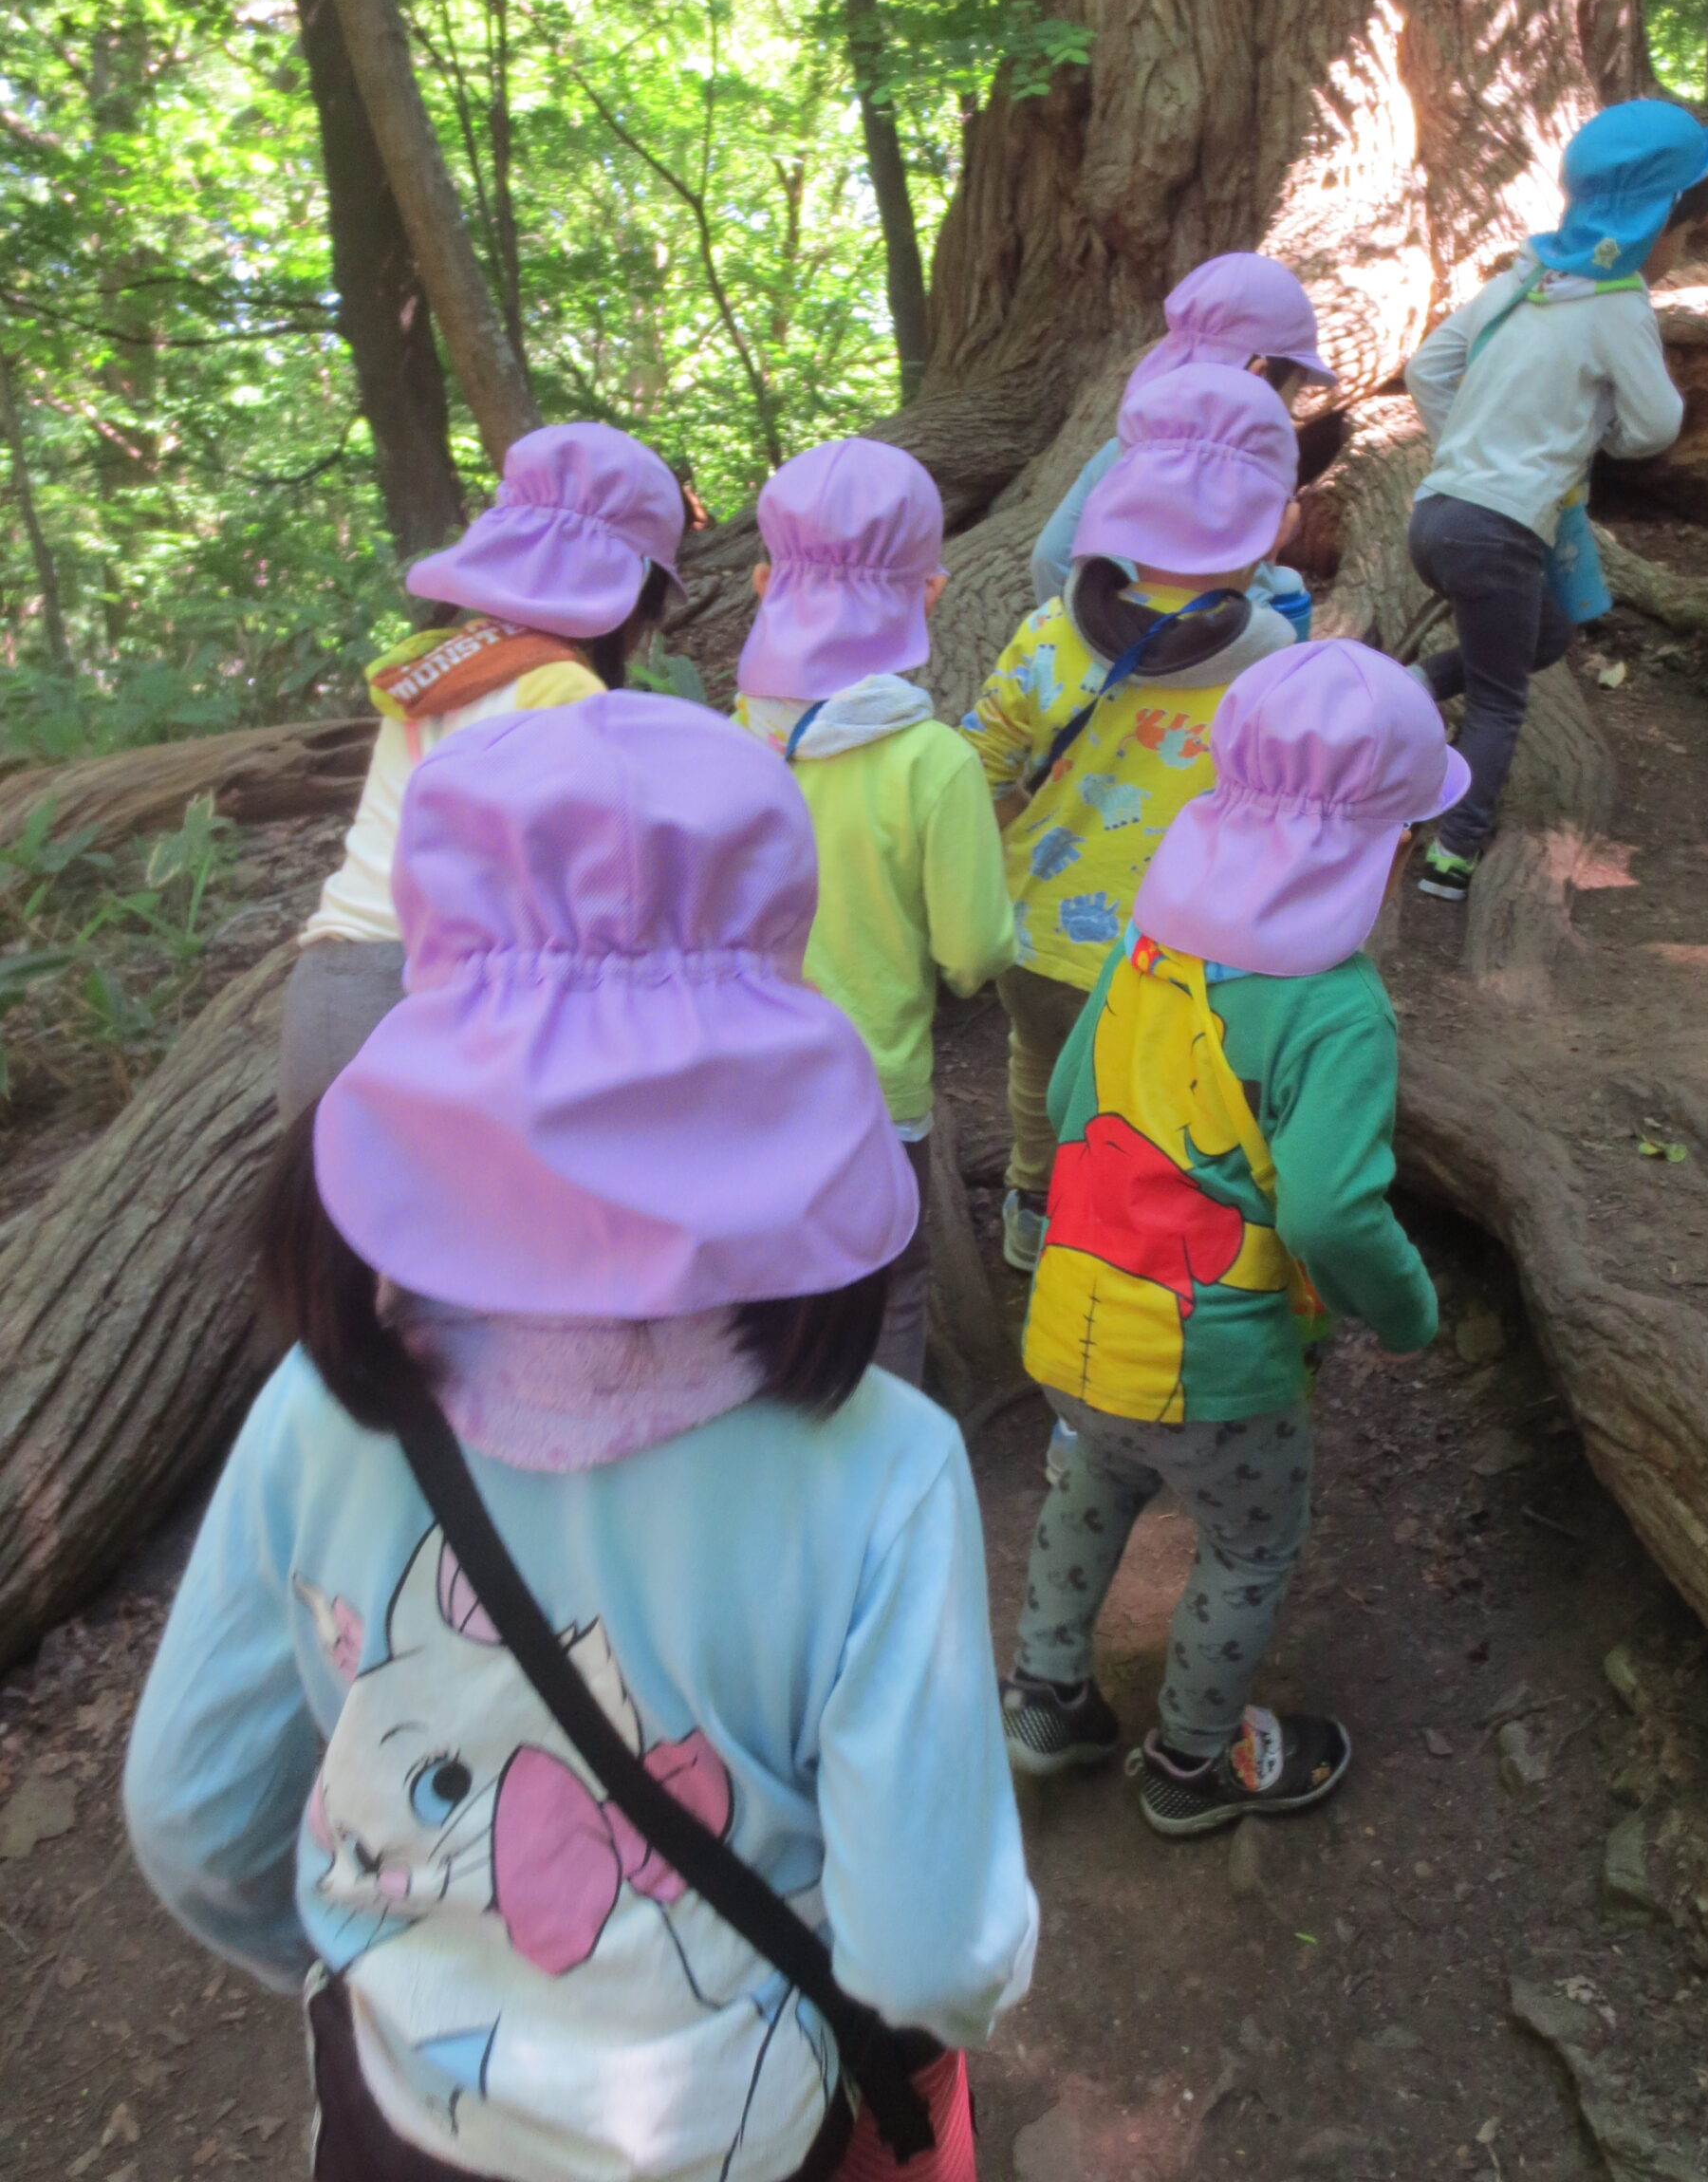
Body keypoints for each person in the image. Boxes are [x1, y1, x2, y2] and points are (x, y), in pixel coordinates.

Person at [125, 694, 1035, 2182]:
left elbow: (192, 1814)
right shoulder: (887, 1470)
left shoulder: (318, 1410)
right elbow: (935, 1953)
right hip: (737, 2133)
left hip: (404, 2126)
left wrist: (369, 1962)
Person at [997, 641, 1460, 1837]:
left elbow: (1068, 1101)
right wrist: (1405, 1309)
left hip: (1076, 1319)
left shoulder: (1148, 946)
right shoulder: (1336, 1009)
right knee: (1252, 1545)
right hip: (1215, 1364)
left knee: (1093, 1477)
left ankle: (1045, 1696)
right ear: (1384, 849)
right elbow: (1329, 1210)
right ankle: (1192, 1764)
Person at [962, 363, 1302, 1277]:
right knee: (1152, 1102)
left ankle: (1034, 1208)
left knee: (1038, 1067)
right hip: (1181, 956)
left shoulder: (1049, 630)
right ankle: (1121, 1251)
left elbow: (976, 765)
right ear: (1279, 524)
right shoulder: (1273, 671)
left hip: (1035, 934)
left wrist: (1018, 839)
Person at [276, 421, 685, 1121]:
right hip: (421, 1002)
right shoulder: (559, 688)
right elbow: (583, 886)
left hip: (329, 987)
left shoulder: (444, 666)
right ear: (632, 588)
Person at [736, 439, 1015, 1387]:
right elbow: (974, 950)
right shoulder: (935, 761)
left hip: (738, 1078)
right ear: (929, 594)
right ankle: (886, 1457)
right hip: (872, 1090)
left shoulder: (731, 736)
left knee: (767, 1289)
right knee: (891, 1286)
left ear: (764, 583)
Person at [1403, 99, 1708, 900]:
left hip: (1437, 515)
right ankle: (1452, 857)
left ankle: (1411, 685)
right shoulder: (1618, 303)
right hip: (1498, 532)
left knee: (1547, 631)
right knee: (1501, 703)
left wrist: (1468, 450)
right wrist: (1598, 436)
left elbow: (1426, 370)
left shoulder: (1522, 281)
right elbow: (1655, 425)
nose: (1680, 253)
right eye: (1686, 236)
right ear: (1659, 223)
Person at [1028, 251, 1335, 619]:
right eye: (1292, 396)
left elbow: (1049, 557)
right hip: (1209, 651)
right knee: (1287, 586)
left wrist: (1082, 631)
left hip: (1100, 635)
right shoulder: (1246, 480)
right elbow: (1246, 602)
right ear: (1259, 375)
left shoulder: (1119, 452)